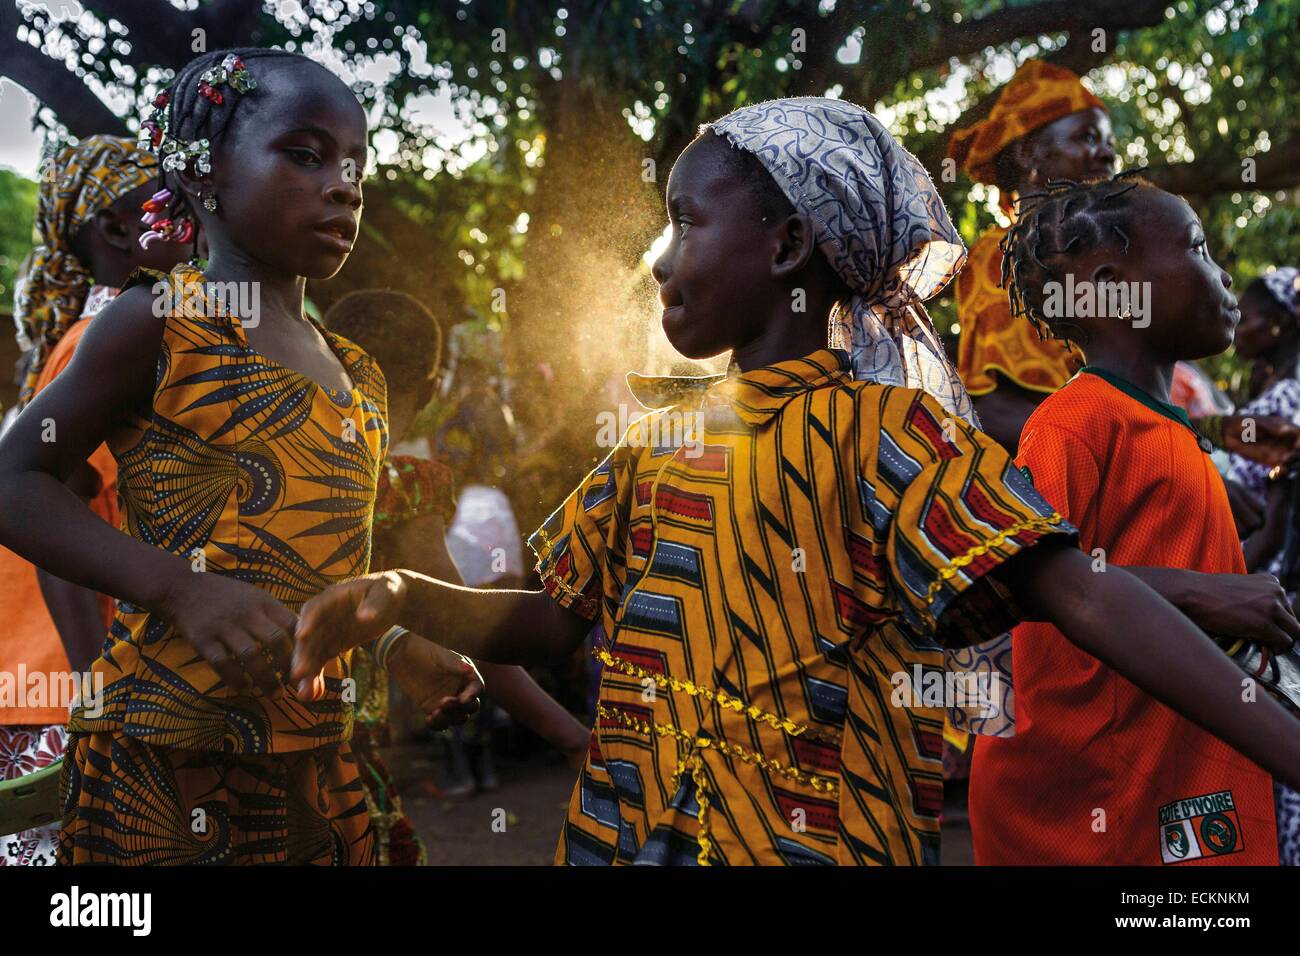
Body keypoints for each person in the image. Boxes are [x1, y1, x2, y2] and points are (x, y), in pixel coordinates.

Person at [292, 98, 1300, 866]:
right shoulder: (654, 445)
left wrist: (1282, 739)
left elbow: (1080, 590)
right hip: (630, 838)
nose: (661, 262)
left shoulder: (887, 434)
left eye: (686, 222)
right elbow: (552, 619)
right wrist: (403, 596)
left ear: (785, 245)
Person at [0, 49, 477, 865]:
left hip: (317, 755)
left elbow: (320, 570)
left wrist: (400, 647)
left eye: (356, 165)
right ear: (203, 172)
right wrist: (175, 586)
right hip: (167, 754)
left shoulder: (359, 375)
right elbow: (16, 480)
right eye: (306, 153)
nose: (344, 185)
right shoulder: (159, 322)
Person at [969, 174, 1297, 865]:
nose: (1222, 275)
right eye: (1200, 250)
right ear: (1115, 285)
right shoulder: (1075, 422)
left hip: (1185, 782)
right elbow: (1026, 580)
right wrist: (1208, 595)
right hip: (1108, 801)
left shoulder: (1171, 428)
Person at [323, 290, 588, 855]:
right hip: (339, 751)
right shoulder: (398, 486)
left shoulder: (280, 473)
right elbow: (466, 625)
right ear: (432, 384)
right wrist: (569, 735)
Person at [0, 135, 188, 866]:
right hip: (61, 687)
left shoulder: (139, 333)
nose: (187, 213)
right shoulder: (104, 343)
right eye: (162, 198)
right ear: (115, 230)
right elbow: (51, 521)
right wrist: (99, 704)